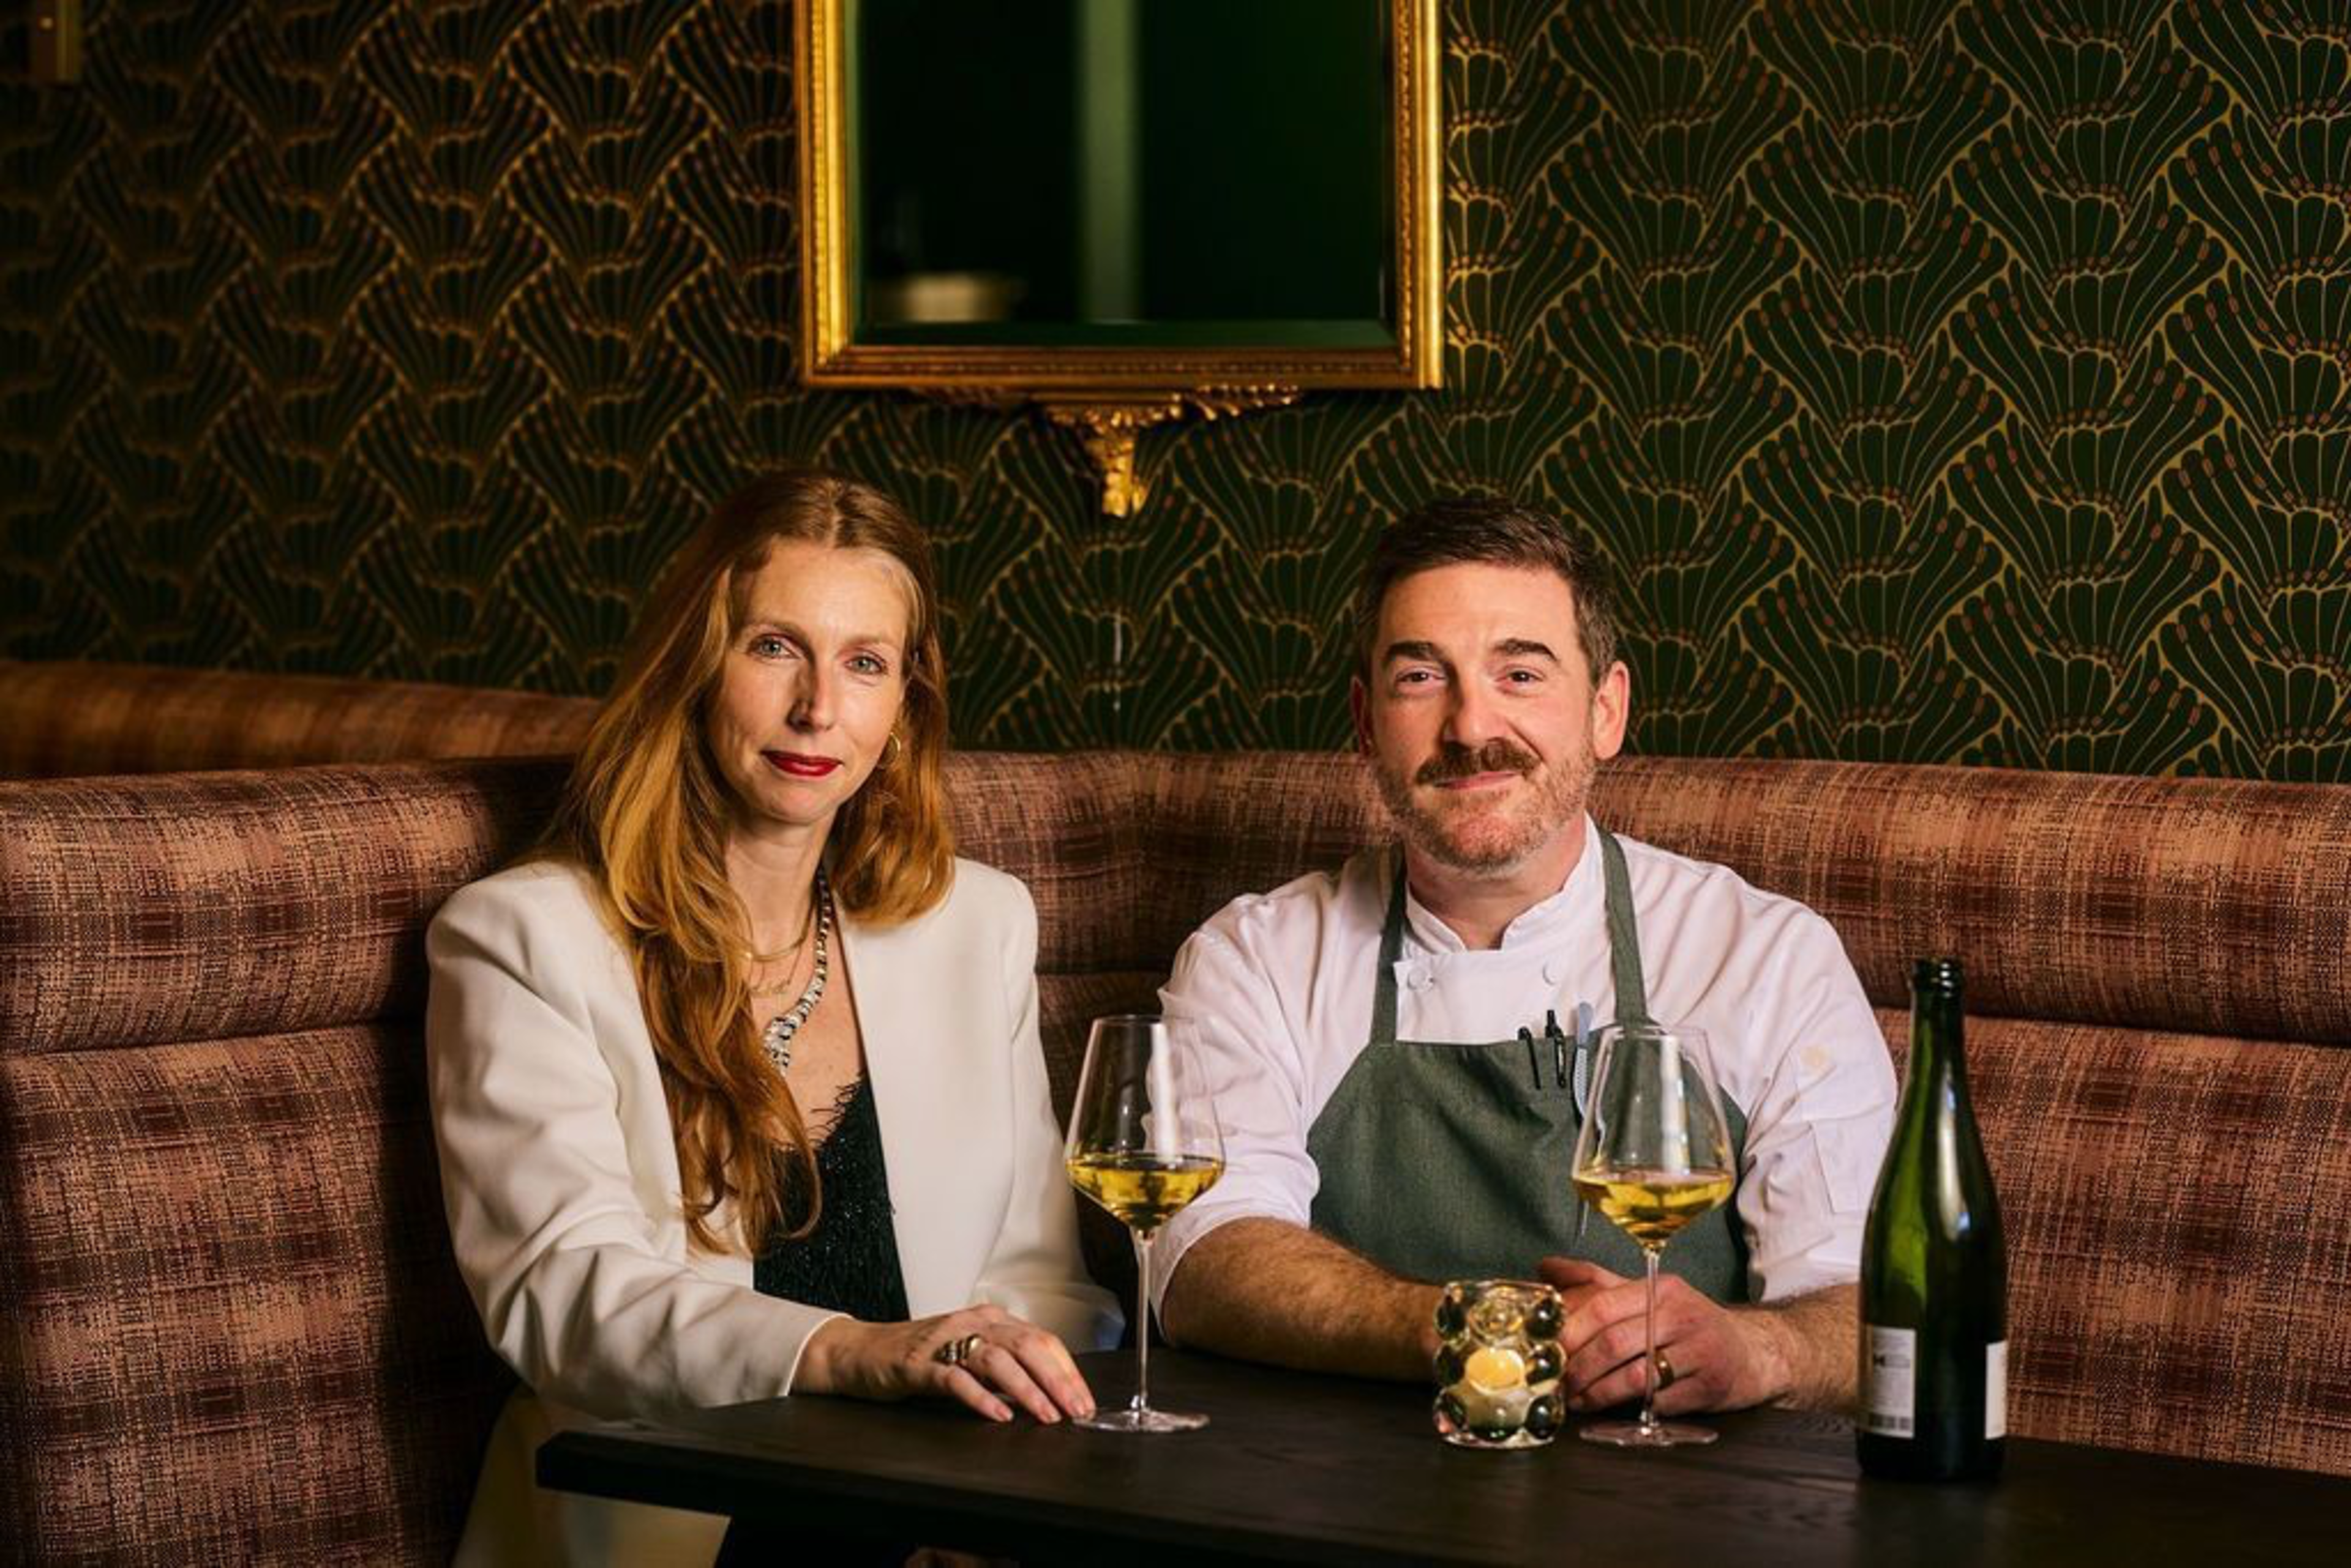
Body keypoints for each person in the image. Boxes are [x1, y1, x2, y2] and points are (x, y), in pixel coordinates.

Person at [426, 471, 1120, 1566]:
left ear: (904, 707)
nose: (819, 710)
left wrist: (991, 1494)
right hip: (677, 1519)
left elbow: (1039, 1280)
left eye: (865, 663)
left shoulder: (977, 926)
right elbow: (562, 1294)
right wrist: (854, 1354)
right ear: (694, 667)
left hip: (933, 1514)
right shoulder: (523, 940)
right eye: (773, 648)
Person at [1154, 496, 1894, 1418]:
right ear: (1364, 720)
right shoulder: (1255, 958)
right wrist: (1484, 1326)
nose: (1471, 727)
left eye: (1521, 674)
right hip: (1348, 1502)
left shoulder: (1764, 956)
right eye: (1421, 676)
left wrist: (1760, 1347)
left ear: (1607, 711)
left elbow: (1873, 1315)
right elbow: (1202, 1261)